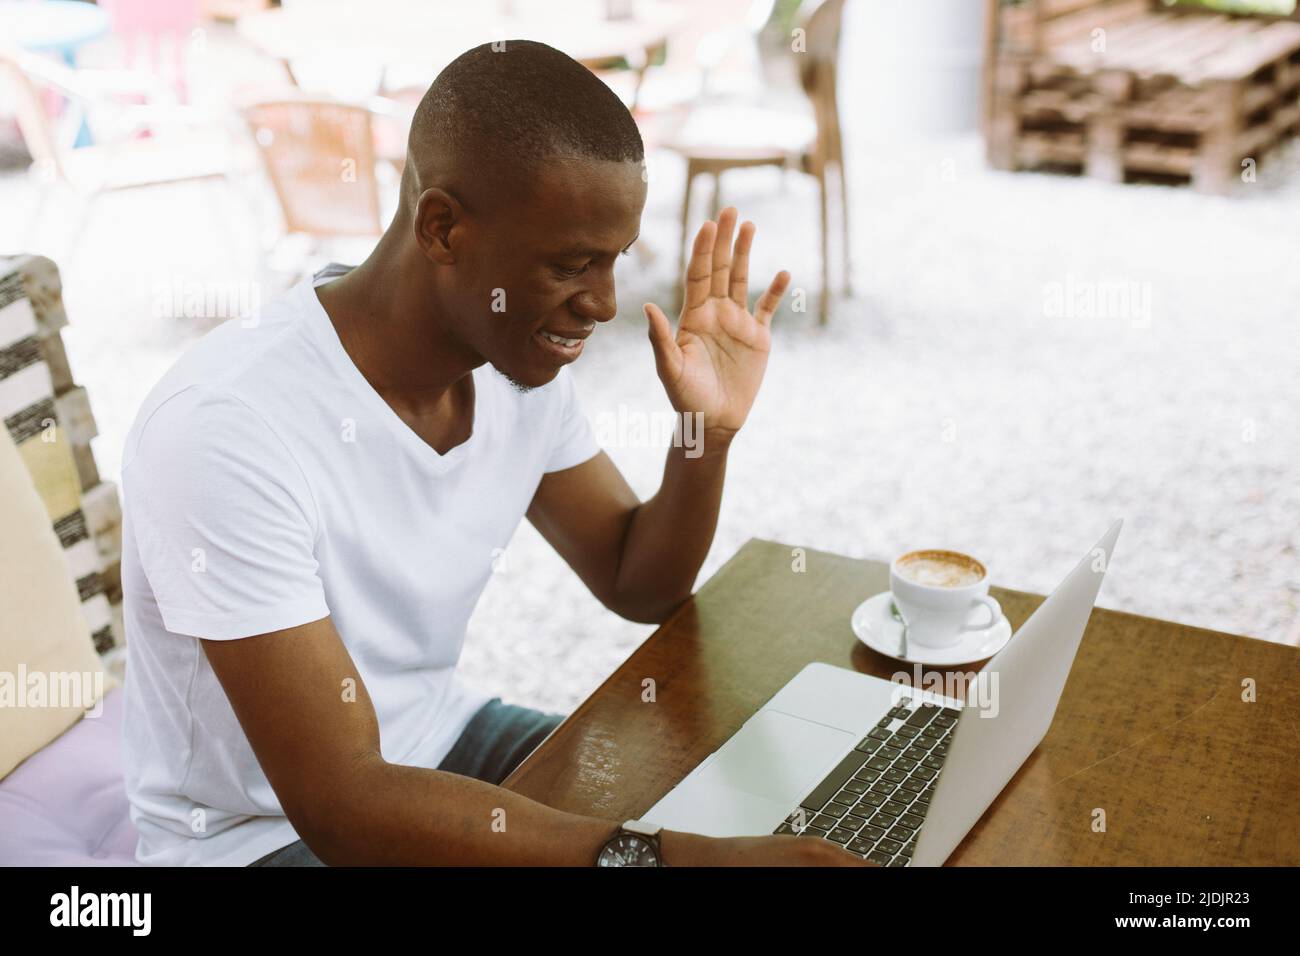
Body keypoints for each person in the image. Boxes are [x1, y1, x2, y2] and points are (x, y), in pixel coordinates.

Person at [120, 40, 864, 866]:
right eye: (571, 264)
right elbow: (342, 805)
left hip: (441, 740)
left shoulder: (517, 371)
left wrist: (705, 436)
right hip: (263, 838)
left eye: (614, 260)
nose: (605, 304)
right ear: (442, 228)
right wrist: (678, 862)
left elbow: (638, 581)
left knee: (739, 794)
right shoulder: (226, 428)